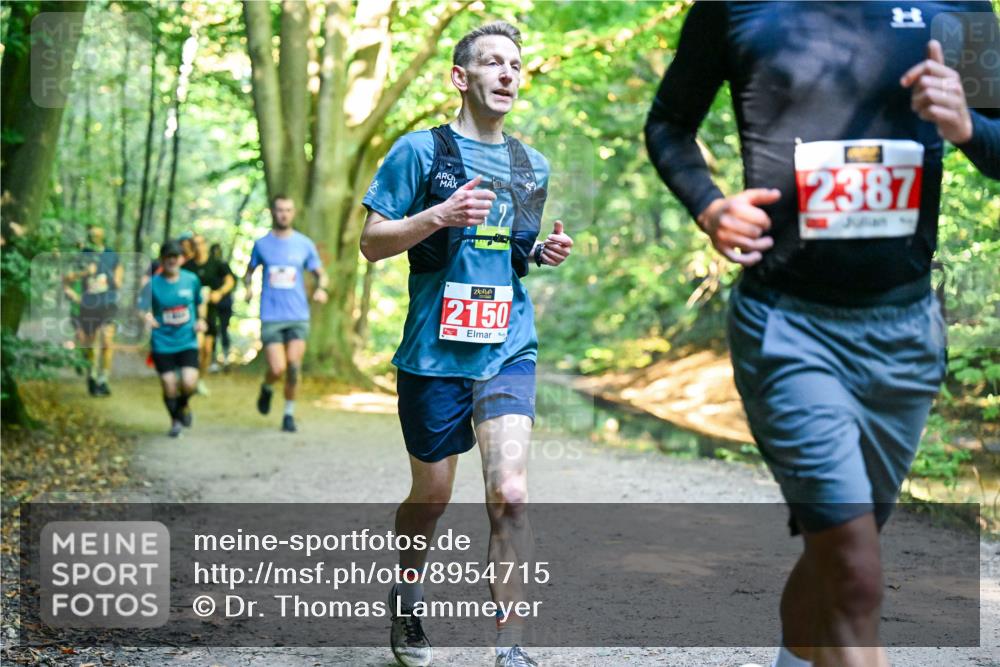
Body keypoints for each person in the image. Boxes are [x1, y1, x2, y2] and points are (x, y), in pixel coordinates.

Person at [644, 3, 999, 667]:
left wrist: (967, 123)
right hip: (787, 326)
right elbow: (668, 125)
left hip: (906, 333)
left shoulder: (958, 6)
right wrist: (708, 205)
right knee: (857, 572)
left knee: (835, 549)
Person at [360, 21, 573, 667]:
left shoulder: (530, 164)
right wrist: (437, 216)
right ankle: (407, 592)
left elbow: (506, 252)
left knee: (510, 491)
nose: (508, 74)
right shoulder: (418, 152)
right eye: (492, 63)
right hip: (433, 353)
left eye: (515, 63)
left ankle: (511, 644)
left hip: (508, 345)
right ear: (461, 76)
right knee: (432, 496)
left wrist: (539, 251)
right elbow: (373, 242)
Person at [244, 196, 329, 433]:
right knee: (278, 368)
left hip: (298, 315)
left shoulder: (304, 244)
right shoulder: (261, 244)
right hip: (271, 315)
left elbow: (321, 274)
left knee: (293, 365)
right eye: (280, 210)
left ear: (293, 213)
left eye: (288, 210)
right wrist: (248, 288)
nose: (283, 214)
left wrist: (321, 288)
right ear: (273, 212)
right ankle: (268, 387)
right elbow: (248, 272)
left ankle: (289, 414)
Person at [140, 240, 207, 438]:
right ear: (162, 259)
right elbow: (141, 308)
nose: (172, 260)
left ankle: (184, 405)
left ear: (182, 259)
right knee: (169, 384)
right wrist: (147, 317)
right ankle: (175, 420)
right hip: (163, 341)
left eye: (176, 256)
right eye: (168, 257)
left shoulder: (191, 280)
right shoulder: (153, 284)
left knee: (189, 382)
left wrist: (201, 320)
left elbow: (200, 302)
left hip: (187, 340)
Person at [62, 225, 123, 396]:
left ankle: (104, 379)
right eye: (92, 235)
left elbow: (119, 282)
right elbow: (65, 278)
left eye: (98, 234)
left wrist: (109, 276)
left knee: (107, 340)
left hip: (108, 304)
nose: (95, 236)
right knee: (89, 344)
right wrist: (84, 273)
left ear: (103, 235)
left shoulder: (112, 255)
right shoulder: (83, 255)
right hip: (88, 306)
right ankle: (92, 376)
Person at [188, 234, 236, 389]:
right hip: (192, 313)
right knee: (197, 346)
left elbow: (230, 281)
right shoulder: (187, 267)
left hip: (211, 312)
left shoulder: (217, 264)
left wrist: (219, 293)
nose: (198, 247)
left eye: (201, 243)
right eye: (195, 244)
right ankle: (188, 376)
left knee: (207, 349)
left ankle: (200, 379)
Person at [209, 242, 235, 370]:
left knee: (223, 330)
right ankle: (213, 360)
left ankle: (225, 358)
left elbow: (231, 282)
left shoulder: (224, 266)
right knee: (212, 330)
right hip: (212, 304)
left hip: (224, 303)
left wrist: (220, 293)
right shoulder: (210, 267)